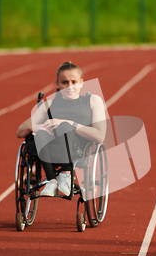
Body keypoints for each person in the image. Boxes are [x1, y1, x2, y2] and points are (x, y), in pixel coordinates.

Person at [17, 62, 106, 196]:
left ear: (82, 83)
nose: (70, 87)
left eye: (74, 82)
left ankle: (66, 174)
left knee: (65, 126)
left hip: (79, 148)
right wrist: (38, 126)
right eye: (65, 82)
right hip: (51, 148)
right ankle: (51, 181)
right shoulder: (49, 104)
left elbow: (100, 136)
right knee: (40, 132)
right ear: (57, 84)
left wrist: (70, 124)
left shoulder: (92, 101)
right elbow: (20, 131)